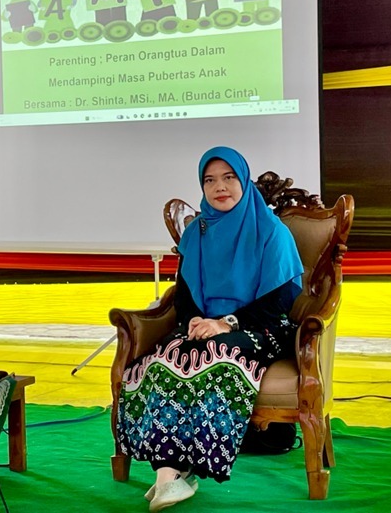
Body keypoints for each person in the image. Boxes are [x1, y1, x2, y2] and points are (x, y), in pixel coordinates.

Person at [116, 146, 303, 512]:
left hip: (259, 326)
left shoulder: (271, 231)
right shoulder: (198, 233)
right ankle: (170, 474)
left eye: (229, 177)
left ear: (244, 181)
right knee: (164, 359)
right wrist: (196, 321)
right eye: (209, 180)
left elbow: (279, 300)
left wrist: (225, 322)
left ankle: (173, 474)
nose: (220, 187)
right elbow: (184, 293)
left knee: (216, 356)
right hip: (206, 324)